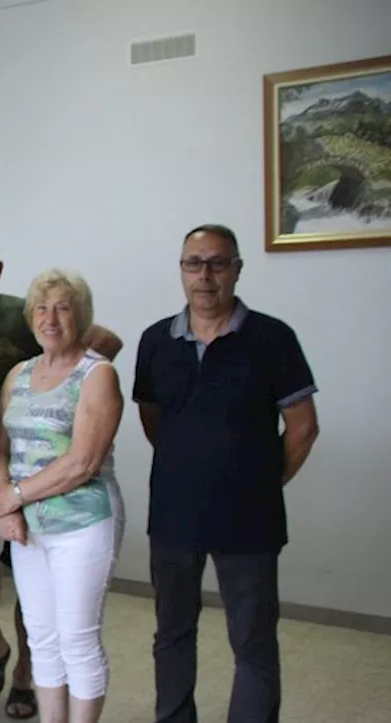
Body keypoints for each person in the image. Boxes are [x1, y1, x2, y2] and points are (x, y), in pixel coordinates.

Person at [134, 224, 319, 723]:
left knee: (253, 639)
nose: (205, 275)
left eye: (218, 263)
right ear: (181, 271)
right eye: (194, 263)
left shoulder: (273, 338)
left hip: (250, 519)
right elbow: (156, 420)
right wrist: (194, 466)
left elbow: (302, 428)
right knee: (171, 633)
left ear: (237, 269)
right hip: (173, 513)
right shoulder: (155, 341)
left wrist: (258, 480)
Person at [0, 233, 124, 720]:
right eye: (42, 309)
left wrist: (9, 498)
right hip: (24, 521)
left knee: (78, 639)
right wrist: (6, 499)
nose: (50, 319)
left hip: (80, 521)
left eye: (63, 309)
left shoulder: (97, 374)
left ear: (80, 316)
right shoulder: (20, 373)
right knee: (43, 638)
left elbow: (83, 463)